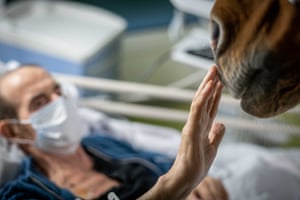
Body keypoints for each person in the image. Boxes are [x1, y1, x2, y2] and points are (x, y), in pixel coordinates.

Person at [0, 64, 226, 199]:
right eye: (40, 102)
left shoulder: (102, 144)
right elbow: (177, 177)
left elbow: (168, 168)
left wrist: (203, 184)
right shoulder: (23, 193)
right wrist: (175, 186)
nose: (59, 101)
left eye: (57, 90)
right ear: (11, 130)